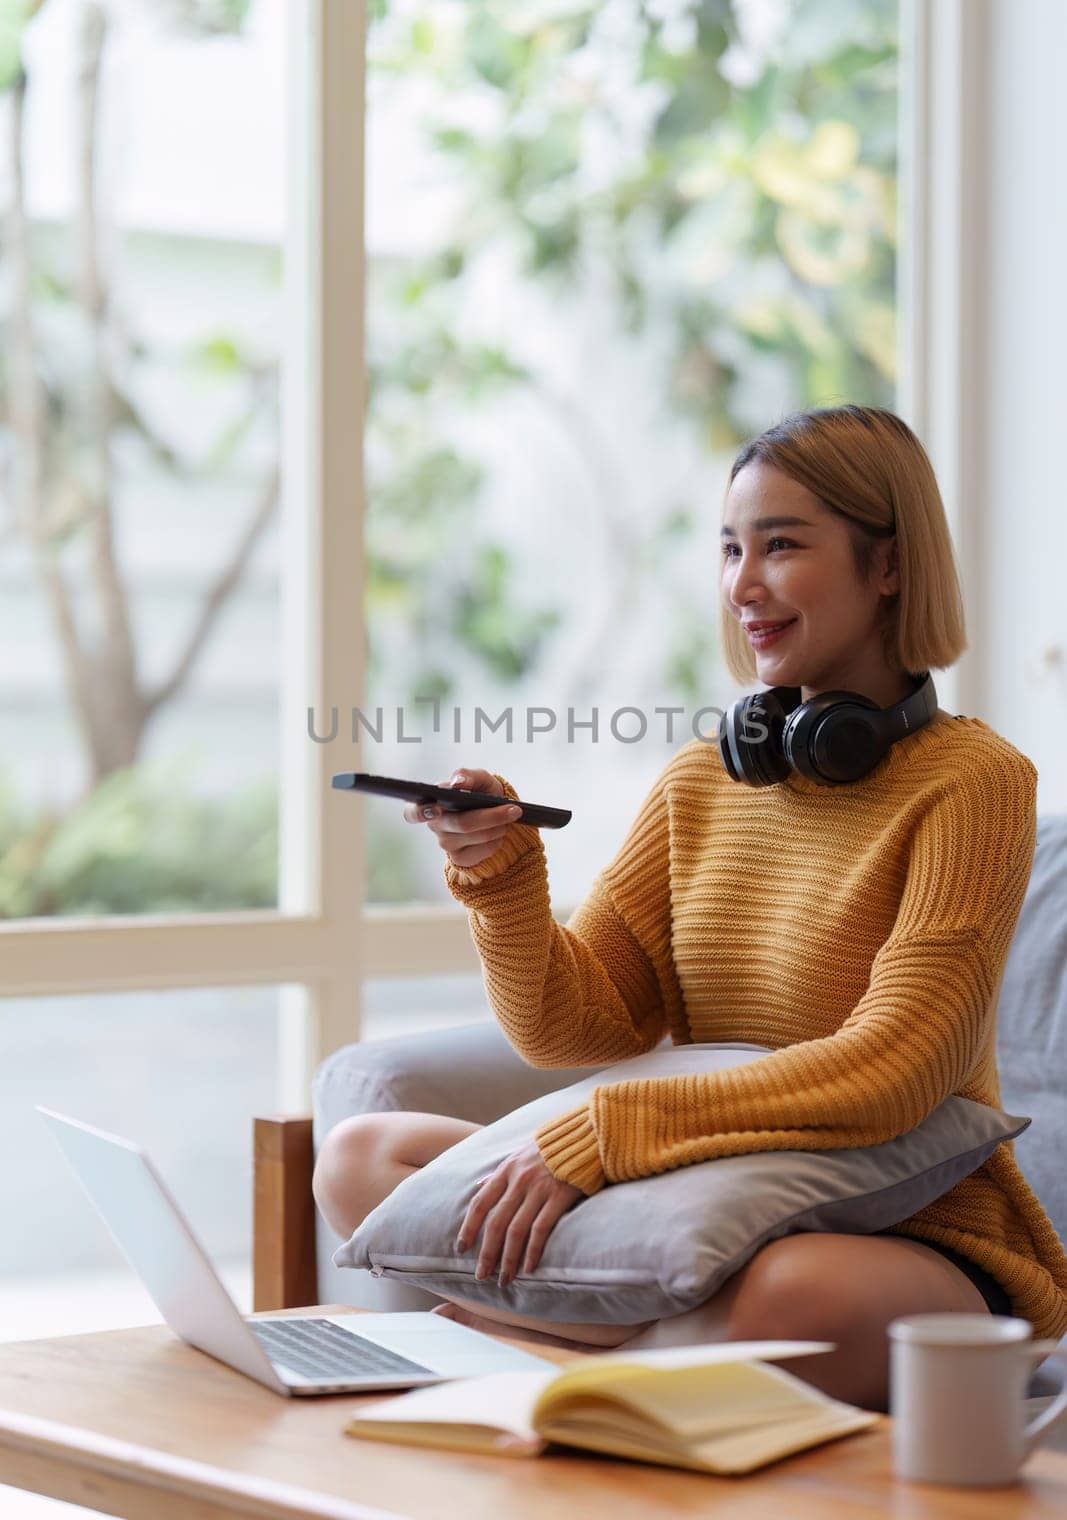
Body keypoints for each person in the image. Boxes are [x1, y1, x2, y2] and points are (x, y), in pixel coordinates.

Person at [314, 404, 1067, 1413]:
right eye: (727, 549)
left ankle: (526, 1344)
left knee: (794, 1291)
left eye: (780, 546)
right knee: (363, 1157)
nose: (739, 584)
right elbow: (574, 1025)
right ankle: (639, 1362)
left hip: (904, 1228)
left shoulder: (972, 781)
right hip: (696, 1204)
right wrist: (500, 875)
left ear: (886, 566)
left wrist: (604, 1138)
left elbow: (899, 1066)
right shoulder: (699, 782)